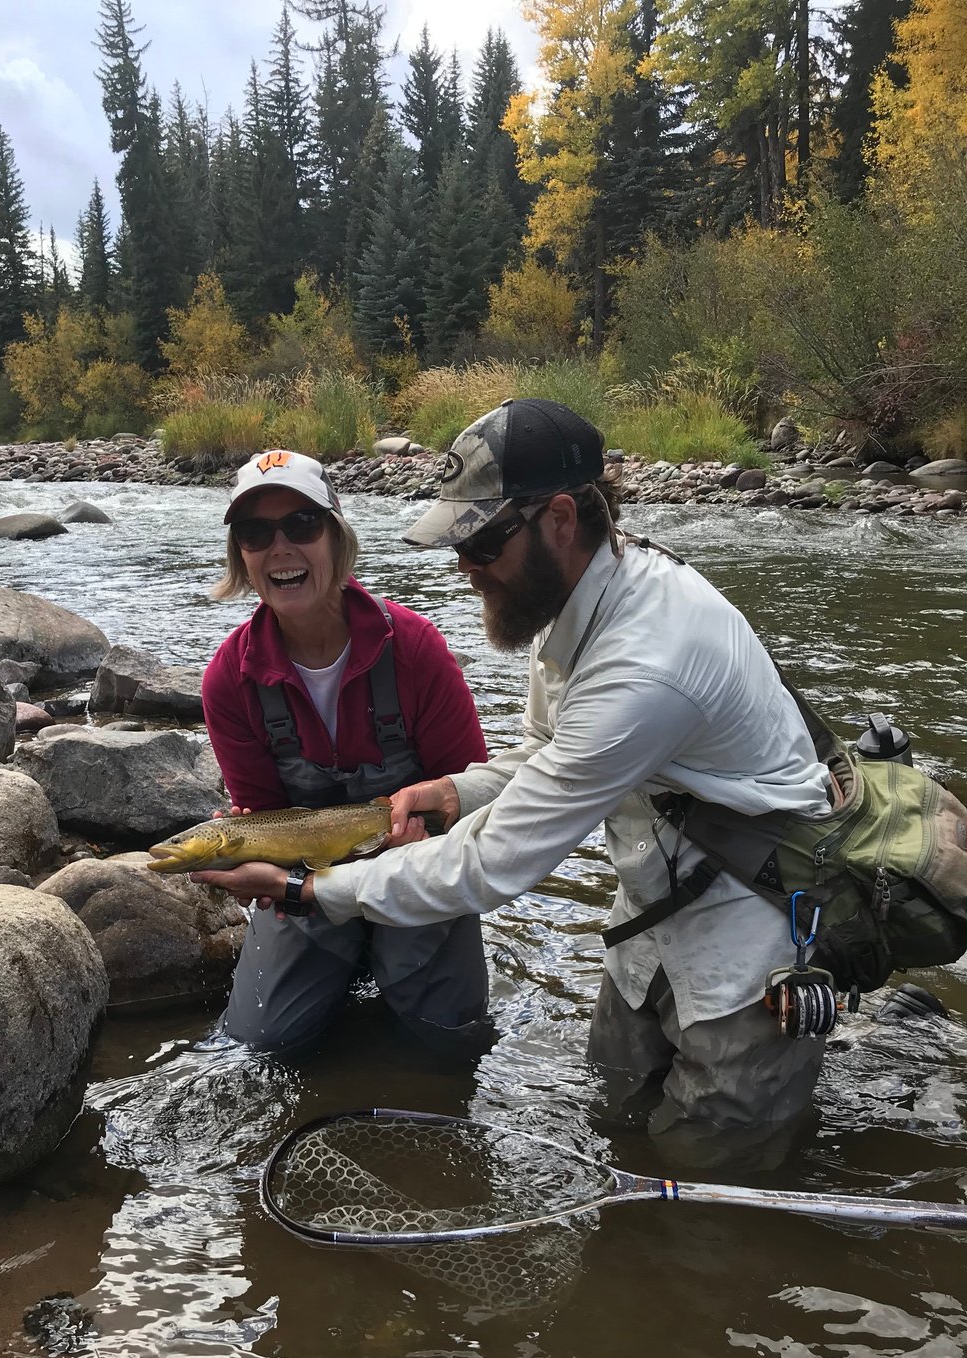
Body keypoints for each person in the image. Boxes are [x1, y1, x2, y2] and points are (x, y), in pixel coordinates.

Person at [193, 401, 836, 1165]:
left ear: (560, 520)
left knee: (707, 1179)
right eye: (459, 542)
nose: (466, 566)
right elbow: (542, 749)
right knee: (617, 1121)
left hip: (746, 933)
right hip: (656, 907)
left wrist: (305, 891)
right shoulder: (571, 606)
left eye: (484, 541)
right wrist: (456, 792)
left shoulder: (645, 664)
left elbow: (491, 863)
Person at [201, 446, 491, 1053]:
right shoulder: (230, 677)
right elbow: (263, 817)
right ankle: (351, 957)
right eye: (256, 533)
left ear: (336, 538)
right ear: (242, 558)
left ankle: (389, 960)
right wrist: (270, 877)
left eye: (302, 525)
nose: (280, 548)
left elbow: (472, 791)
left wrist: (428, 834)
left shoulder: (414, 649)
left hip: (418, 872)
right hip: (307, 882)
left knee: (447, 1042)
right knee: (263, 1042)